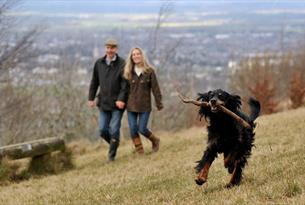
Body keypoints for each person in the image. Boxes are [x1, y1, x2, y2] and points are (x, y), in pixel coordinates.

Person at [88, 38, 128, 162]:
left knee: (114, 129)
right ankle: (114, 142)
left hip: (117, 104)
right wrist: (91, 98)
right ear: (105, 49)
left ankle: (111, 156)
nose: (110, 50)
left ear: (116, 49)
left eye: (112, 48)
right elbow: (94, 82)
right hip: (103, 102)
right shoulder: (99, 63)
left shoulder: (122, 64)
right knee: (102, 130)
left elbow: (125, 85)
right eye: (108, 48)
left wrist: (121, 99)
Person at [123, 47, 163, 154]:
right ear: (131, 57)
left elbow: (156, 89)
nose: (136, 56)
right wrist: (121, 101)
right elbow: (124, 90)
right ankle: (140, 152)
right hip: (131, 105)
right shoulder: (128, 72)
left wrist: (159, 103)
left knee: (142, 128)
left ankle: (155, 140)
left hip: (144, 106)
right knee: (132, 129)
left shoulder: (149, 71)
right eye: (133, 54)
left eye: (138, 54)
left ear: (142, 56)